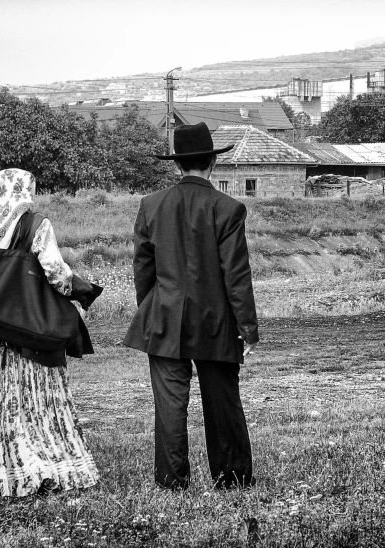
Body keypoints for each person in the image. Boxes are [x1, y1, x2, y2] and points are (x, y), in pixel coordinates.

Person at [123, 122, 259, 490]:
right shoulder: (228, 208)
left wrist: (154, 311)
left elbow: (143, 269)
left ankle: (171, 481)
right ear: (212, 162)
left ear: (177, 165)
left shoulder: (151, 205)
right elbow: (236, 275)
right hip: (214, 320)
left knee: (169, 403)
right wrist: (247, 327)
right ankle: (232, 479)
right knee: (222, 401)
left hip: (163, 316)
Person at [0, 168, 100, 497]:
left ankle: (2, 476)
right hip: (31, 335)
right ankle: (43, 468)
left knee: (1, 402)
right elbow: (56, 275)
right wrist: (83, 290)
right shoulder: (36, 225)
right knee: (36, 403)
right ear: (25, 190)